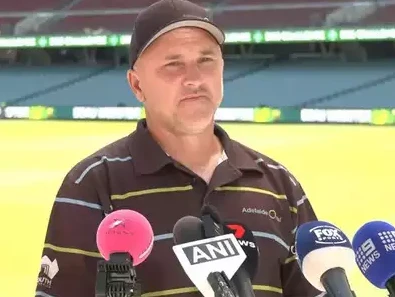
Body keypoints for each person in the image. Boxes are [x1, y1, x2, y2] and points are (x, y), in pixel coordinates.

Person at [34, 0, 324, 296]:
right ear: (136, 85)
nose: (195, 79)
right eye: (173, 64)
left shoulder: (278, 184)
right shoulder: (92, 185)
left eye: (206, 60)